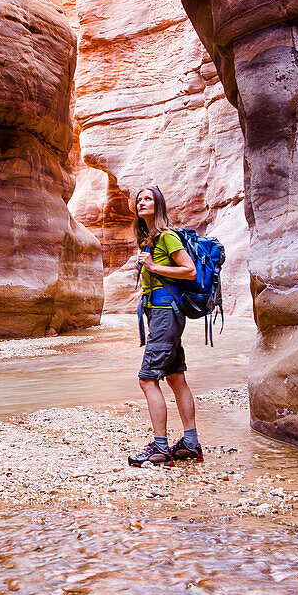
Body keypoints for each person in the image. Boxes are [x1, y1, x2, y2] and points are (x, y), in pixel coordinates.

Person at [127, 184, 204, 467]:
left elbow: (190, 270)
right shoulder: (148, 238)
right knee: (175, 378)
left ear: (158, 205)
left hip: (165, 314)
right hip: (160, 313)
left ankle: (159, 448)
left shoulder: (167, 237)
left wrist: (154, 267)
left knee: (147, 379)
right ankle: (191, 444)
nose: (142, 202)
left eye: (148, 199)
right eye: (139, 199)